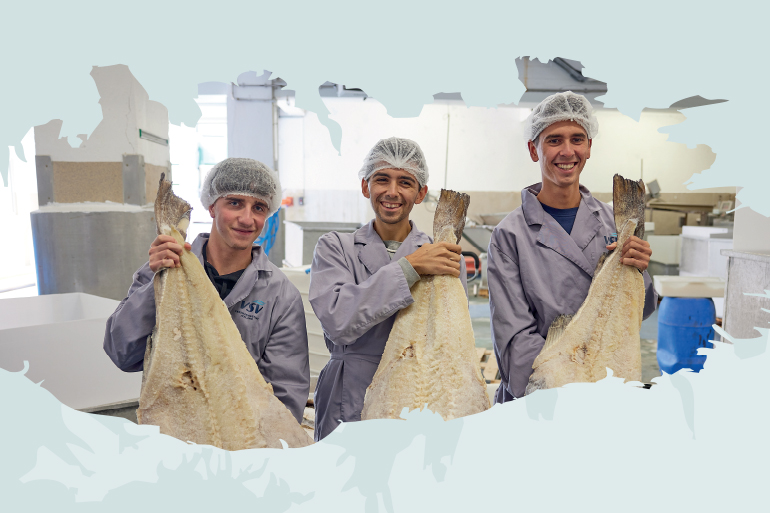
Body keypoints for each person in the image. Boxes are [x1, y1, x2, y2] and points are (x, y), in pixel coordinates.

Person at [103, 158, 309, 423]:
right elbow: (121, 352)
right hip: (170, 432)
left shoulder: (281, 295)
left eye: (258, 207)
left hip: (243, 437)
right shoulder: (164, 266)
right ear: (212, 206)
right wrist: (159, 283)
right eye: (235, 203)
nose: (247, 218)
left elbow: (285, 398)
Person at [488, 91, 657, 403]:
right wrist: (565, 392)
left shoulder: (615, 222)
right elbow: (514, 338)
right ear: (533, 149)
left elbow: (638, 313)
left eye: (577, 139)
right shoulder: (509, 235)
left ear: (589, 146)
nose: (567, 151)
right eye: (554, 140)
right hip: (540, 397)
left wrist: (640, 272)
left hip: (605, 389)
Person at [309, 137, 468, 441]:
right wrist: (409, 267)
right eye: (382, 179)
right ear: (365, 186)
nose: (392, 192)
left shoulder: (442, 256)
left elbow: (451, 341)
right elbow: (338, 320)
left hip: (417, 397)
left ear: (420, 193)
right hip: (348, 398)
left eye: (405, 182)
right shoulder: (335, 247)